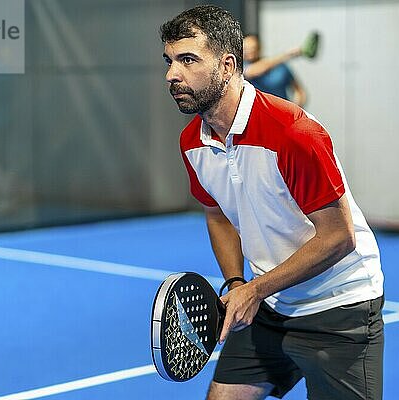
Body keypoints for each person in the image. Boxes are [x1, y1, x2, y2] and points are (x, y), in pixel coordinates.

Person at [160, 5, 383, 400]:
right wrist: (236, 282)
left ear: (227, 65)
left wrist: (256, 289)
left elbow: (339, 237)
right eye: (170, 60)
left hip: (339, 307)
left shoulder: (295, 134)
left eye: (187, 60)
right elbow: (218, 216)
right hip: (271, 306)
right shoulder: (192, 143)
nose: (172, 75)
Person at [243, 34, 307, 107]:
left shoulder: (280, 67)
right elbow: (253, 71)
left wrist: (294, 110)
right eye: (245, 49)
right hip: (257, 116)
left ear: (259, 48)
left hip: (281, 114)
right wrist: (288, 54)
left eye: (252, 48)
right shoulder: (239, 68)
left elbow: (299, 92)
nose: (248, 52)